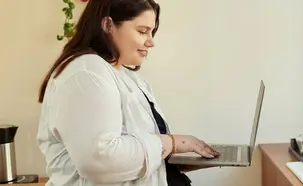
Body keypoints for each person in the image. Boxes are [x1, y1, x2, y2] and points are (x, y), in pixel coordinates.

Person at [36, 0, 220, 185]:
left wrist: (178, 157)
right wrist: (172, 143)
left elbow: (140, 153)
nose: (151, 42)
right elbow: (101, 161)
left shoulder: (125, 75)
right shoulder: (86, 72)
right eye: (142, 31)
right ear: (107, 25)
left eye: (151, 32)